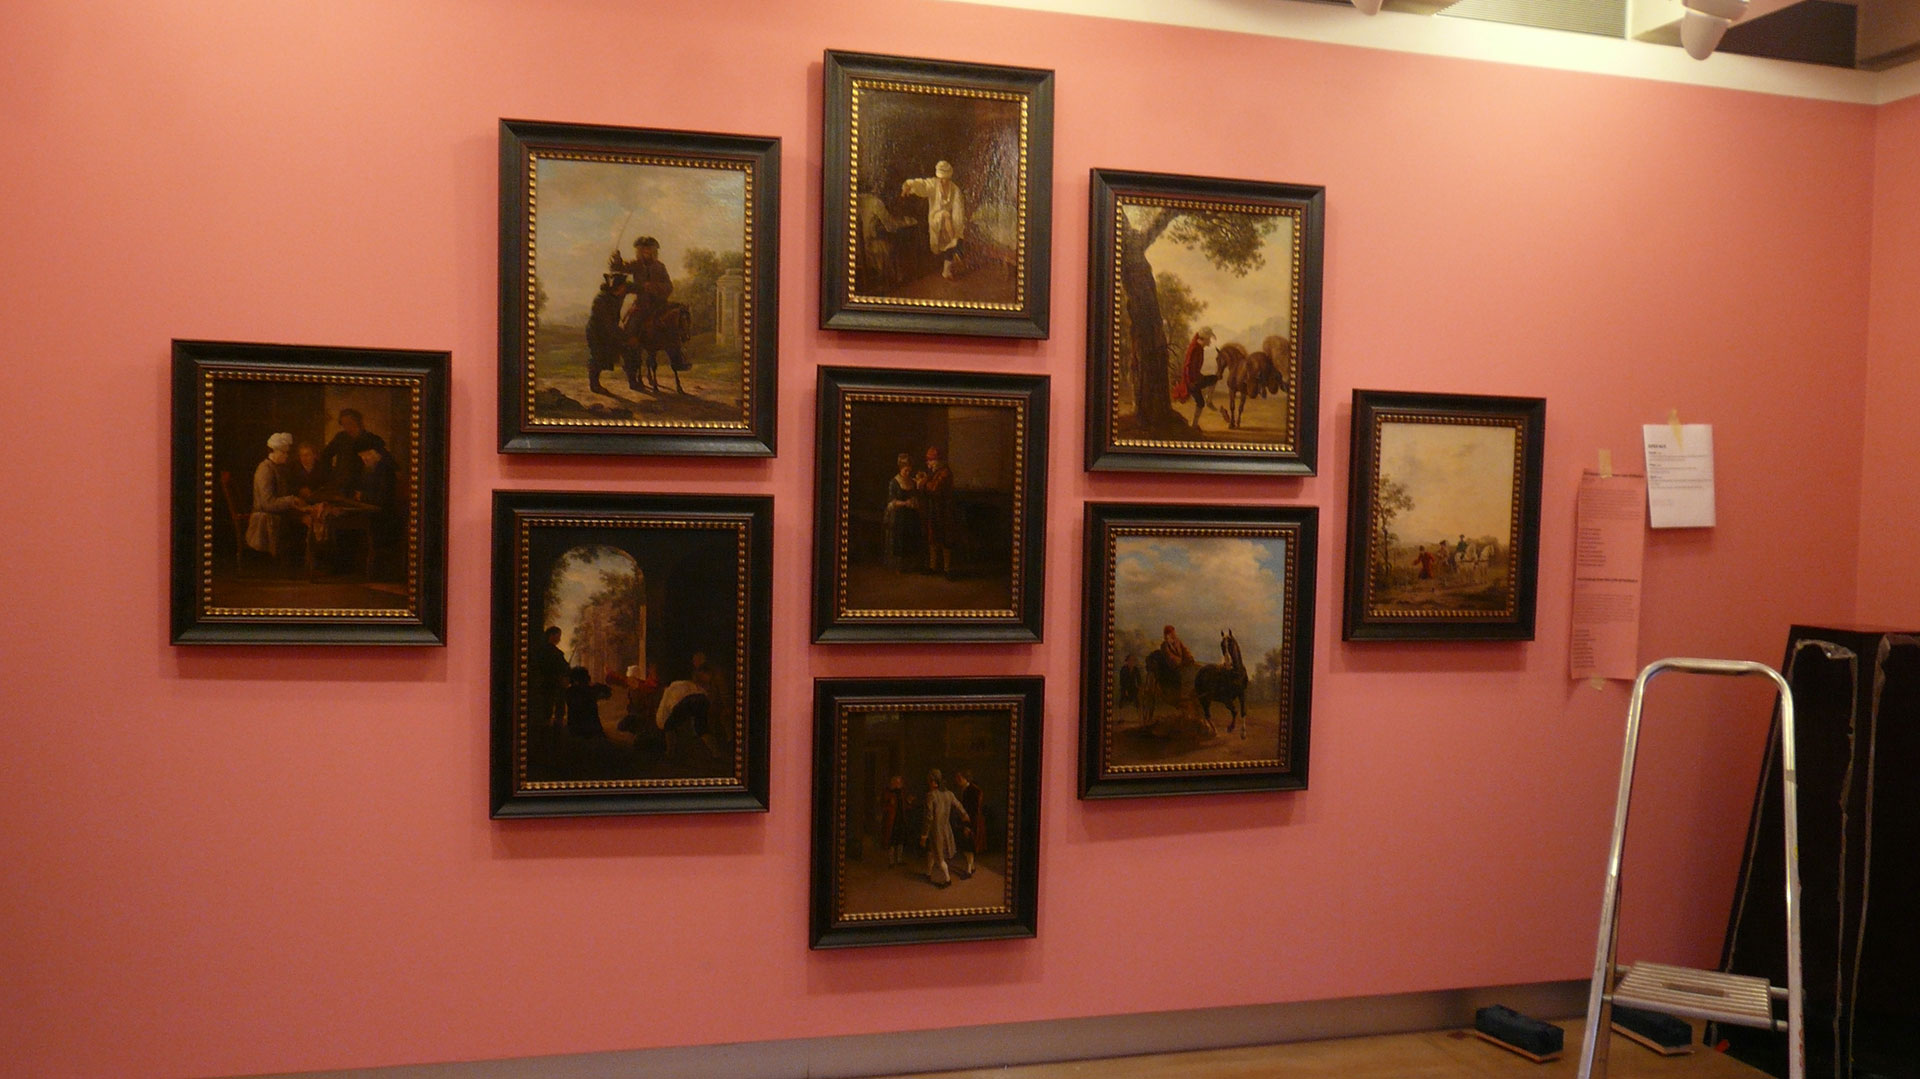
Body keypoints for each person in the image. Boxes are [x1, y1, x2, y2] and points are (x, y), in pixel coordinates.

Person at [244, 432, 310, 569]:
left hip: (278, 513)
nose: (286, 456)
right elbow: (267, 504)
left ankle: (305, 565)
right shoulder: (265, 470)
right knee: (303, 523)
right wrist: (291, 500)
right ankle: (296, 567)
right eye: (283, 452)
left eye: (287, 453)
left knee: (308, 518)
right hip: (266, 518)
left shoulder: (278, 468)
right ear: (273, 451)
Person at [899, 160, 966, 281]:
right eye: (940, 178)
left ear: (949, 177)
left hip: (949, 223)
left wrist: (957, 228)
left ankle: (946, 271)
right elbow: (922, 185)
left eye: (945, 178)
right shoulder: (934, 184)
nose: (942, 181)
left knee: (953, 242)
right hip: (936, 219)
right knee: (946, 215)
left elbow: (958, 212)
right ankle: (954, 243)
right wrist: (909, 185)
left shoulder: (955, 190)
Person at [920, 769, 968, 888]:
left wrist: (924, 835)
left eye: (929, 781)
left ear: (933, 782)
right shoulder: (949, 794)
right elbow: (958, 805)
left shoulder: (931, 795)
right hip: (946, 829)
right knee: (931, 852)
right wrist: (964, 815)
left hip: (936, 831)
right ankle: (928, 873)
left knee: (939, 857)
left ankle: (947, 879)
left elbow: (929, 817)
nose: (928, 783)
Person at [585, 272, 631, 394]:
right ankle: (594, 385)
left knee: (621, 350)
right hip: (596, 332)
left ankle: (632, 379)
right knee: (597, 356)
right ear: (618, 287)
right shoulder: (601, 300)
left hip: (607, 331)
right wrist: (624, 336)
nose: (625, 289)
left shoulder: (615, 296)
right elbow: (607, 324)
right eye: (623, 286)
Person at [920, 445, 956, 577]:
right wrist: (924, 479)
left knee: (946, 539)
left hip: (944, 511)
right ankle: (932, 567)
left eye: (931, 460)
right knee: (932, 538)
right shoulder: (934, 472)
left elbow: (935, 489)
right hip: (934, 510)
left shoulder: (945, 473)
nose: (928, 463)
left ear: (938, 461)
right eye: (928, 460)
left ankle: (947, 569)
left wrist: (922, 482)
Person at [883, 452, 922, 571]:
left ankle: (911, 565)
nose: (908, 473)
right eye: (906, 470)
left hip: (911, 515)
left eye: (910, 470)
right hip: (899, 516)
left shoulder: (913, 482)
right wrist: (905, 503)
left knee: (911, 538)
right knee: (899, 539)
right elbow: (891, 502)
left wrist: (915, 501)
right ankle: (898, 567)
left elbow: (916, 496)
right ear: (901, 468)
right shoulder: (894, 482)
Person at [528, 626, 568, 731]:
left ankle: (551, 726)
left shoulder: (548, 651)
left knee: (552, 706)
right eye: (558, 636)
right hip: (551, 683)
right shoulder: (551, 652)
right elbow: (560, 667)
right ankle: (551, 727)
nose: (559, 639)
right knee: (550, 705)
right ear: (551, 636)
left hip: (551, 683)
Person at [319, 408, 368, 488]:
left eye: (349, 423)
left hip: (360, 484)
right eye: (344, 424)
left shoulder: (367, 439)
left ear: (357, 422)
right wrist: (330, 475)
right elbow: (326, 454)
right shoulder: (341, 437)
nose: (347, 427)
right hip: (341, 483)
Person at [563, 667, 611, 739]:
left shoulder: (570, 691)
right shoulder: (590, 690)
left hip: (576, 729)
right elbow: (607, 693)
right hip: (590, 729)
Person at [953, 769, 985, 879]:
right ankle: (972, 866)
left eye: (959, 778)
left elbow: (974, 811)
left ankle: (968, 870)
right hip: (965, 821)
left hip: (972, 822)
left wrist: (968, 826)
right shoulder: (963, 789)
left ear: (966, 778)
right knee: (967, 846)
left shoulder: (974, 791)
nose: (957, 780)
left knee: (968, 847)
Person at [877, 775, 910, 867]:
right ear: (893, 783)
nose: (899, 784)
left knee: (900, 840)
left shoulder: (902, 792)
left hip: (901, 819)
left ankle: (899, 860)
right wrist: (889, 804)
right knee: (891, 840)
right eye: (897, 782)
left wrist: (909, 802)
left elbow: (905, 805)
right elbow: (883, 805)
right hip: (891, 821)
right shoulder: (887, 792)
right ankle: (891, 861)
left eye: (900, 782)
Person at [1178, 327, 1215, 403]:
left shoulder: (1199, 348)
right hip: (1192, 383)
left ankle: (1208, 399)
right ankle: (1208, 400)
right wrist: (1190, 382)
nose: (1210, 341)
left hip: (1196, 379)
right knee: (1200, 402)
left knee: (1214, 378)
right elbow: (1187, 366)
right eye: (1209, 339)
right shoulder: (1195, 349)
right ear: (1205, 339)